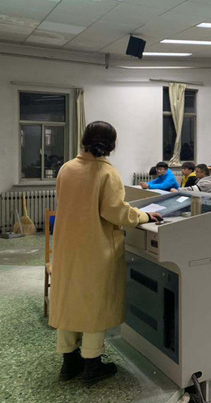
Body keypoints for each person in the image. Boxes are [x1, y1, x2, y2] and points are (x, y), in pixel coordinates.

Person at [50, 121, 162, 383]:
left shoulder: (67, 168)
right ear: (112, 144)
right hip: (95, 248)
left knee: (69, 299)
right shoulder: (106, 173)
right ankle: (92, 364)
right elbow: (116, 212)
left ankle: (69, 362)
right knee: (94, 303)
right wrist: (144, 215)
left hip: (67, 246)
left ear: (84, 139)